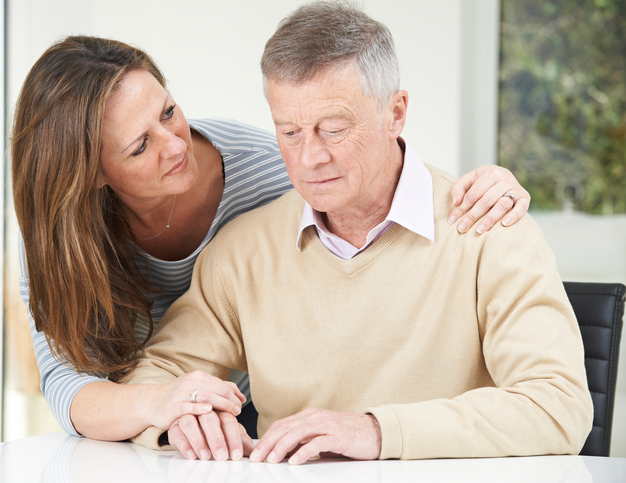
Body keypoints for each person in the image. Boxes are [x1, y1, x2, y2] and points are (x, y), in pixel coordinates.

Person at [123, 1, 593, 463]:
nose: (309, 158)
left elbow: (558, 407)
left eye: (333, 129)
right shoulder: (242, 252)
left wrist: (375, 431)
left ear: (396, 114)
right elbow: (156, 377)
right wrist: (185, 418)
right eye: (288, 133)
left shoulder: (487, 227)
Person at [11, 34, 531, 442]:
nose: (175, 146)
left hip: (260, 410)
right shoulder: (64, 235)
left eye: (169, 112)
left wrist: (484, 188)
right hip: (150, 422)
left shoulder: (281, 171)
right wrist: (165, 405)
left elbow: (379, 180)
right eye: (140, 146)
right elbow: (70, 381)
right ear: (93, 175)